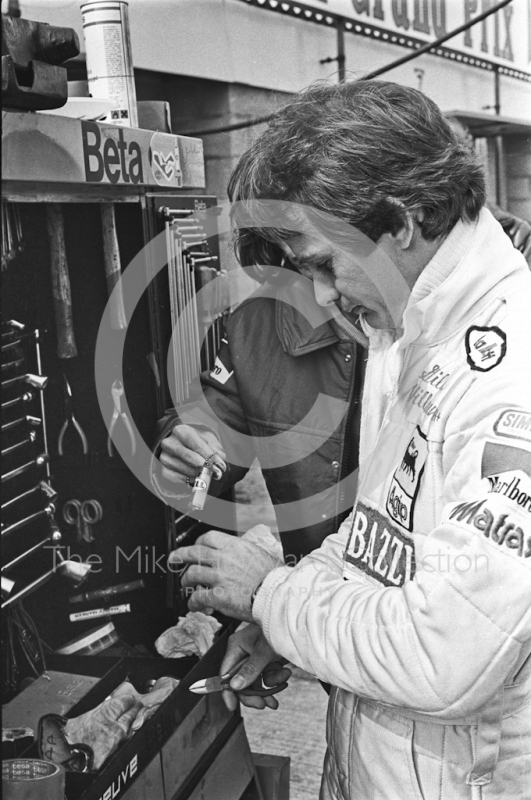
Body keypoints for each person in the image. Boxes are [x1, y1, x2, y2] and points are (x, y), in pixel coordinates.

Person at [173, 80, 531, 800]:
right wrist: (291, 615)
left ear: (398, 221)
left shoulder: (509, 372)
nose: (323, 294)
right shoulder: (412, 333)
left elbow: (445, 653)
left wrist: (271, 595)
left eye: (320, 261)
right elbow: (374, 528)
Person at [152, 236, 366, 563]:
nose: (327, 290)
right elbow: (220, 416)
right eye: (307, 263)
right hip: (310, 589)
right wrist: (189, 447)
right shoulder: (258, 323)